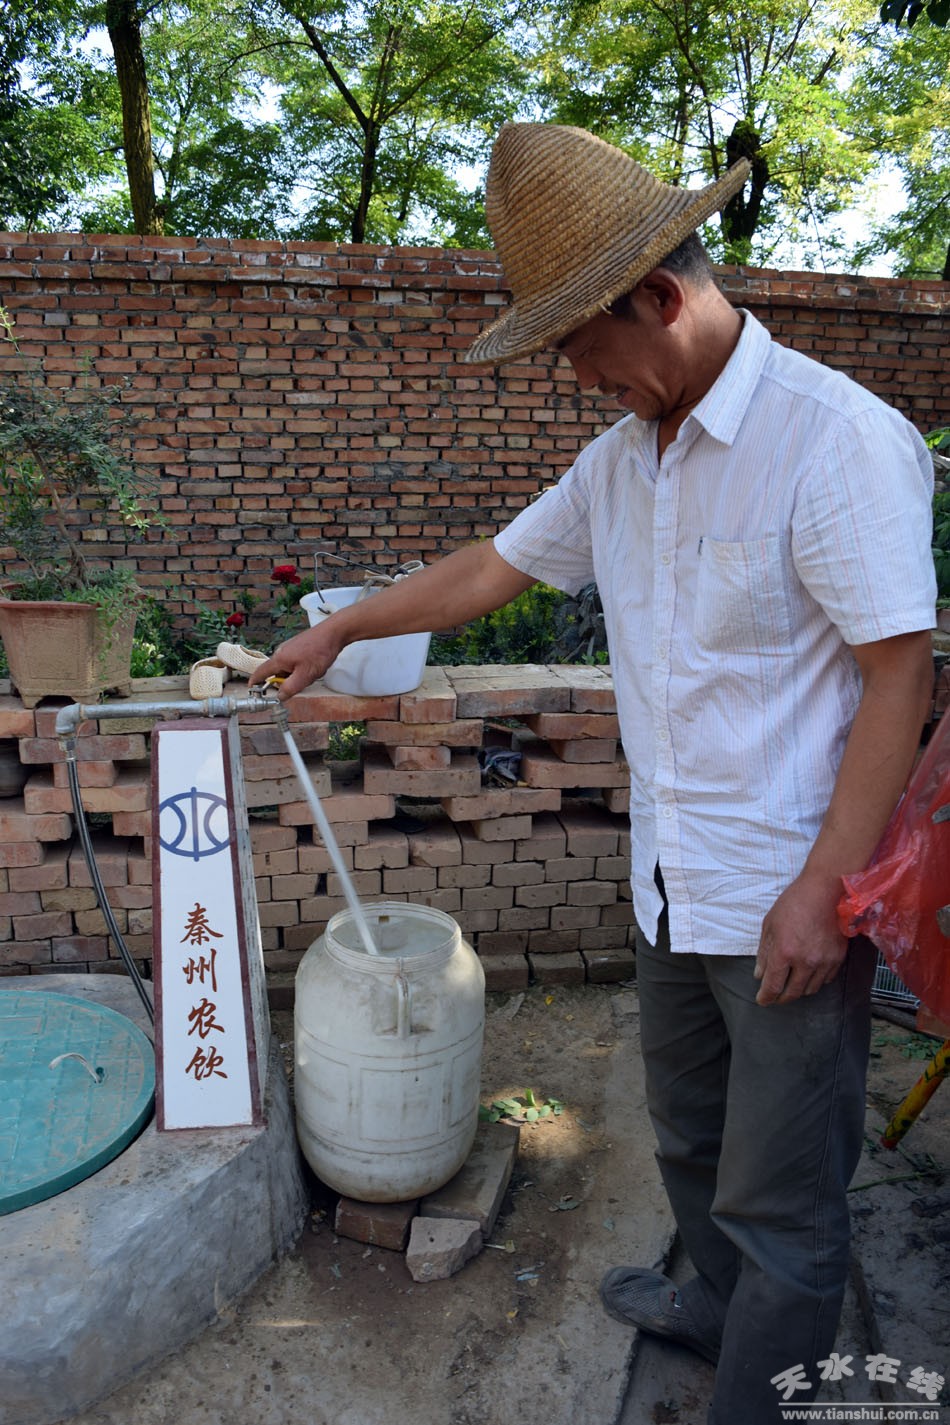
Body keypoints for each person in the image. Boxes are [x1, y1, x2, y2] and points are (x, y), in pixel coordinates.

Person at [250, 124, 936, 1423]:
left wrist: (823, 890)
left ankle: (758, 1393)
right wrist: (342, 628)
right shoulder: (624, 460)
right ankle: (712, 1304)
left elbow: (897, 678)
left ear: (660, 298)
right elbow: (492, 567)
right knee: (689, 1135)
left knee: (783, 1196)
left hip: (787, 896)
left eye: (579, 347)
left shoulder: (833, 441)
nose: (579, 379)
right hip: (671, 883)